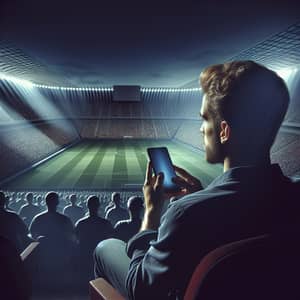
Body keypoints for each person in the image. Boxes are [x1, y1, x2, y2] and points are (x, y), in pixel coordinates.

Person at [93, 61, 300, 299]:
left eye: (204, 119)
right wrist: (202, 195)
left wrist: (150, 217)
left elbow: (142, 289)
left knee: (105, 247)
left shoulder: (186, 213)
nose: (201, 129)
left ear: (224, 131)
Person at [75, 195, 114, 279]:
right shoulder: (106, 223)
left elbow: (76, 240)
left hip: (85, 256)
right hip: (100, 257)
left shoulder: (80, 223)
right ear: (99, 206)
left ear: (87, 205)